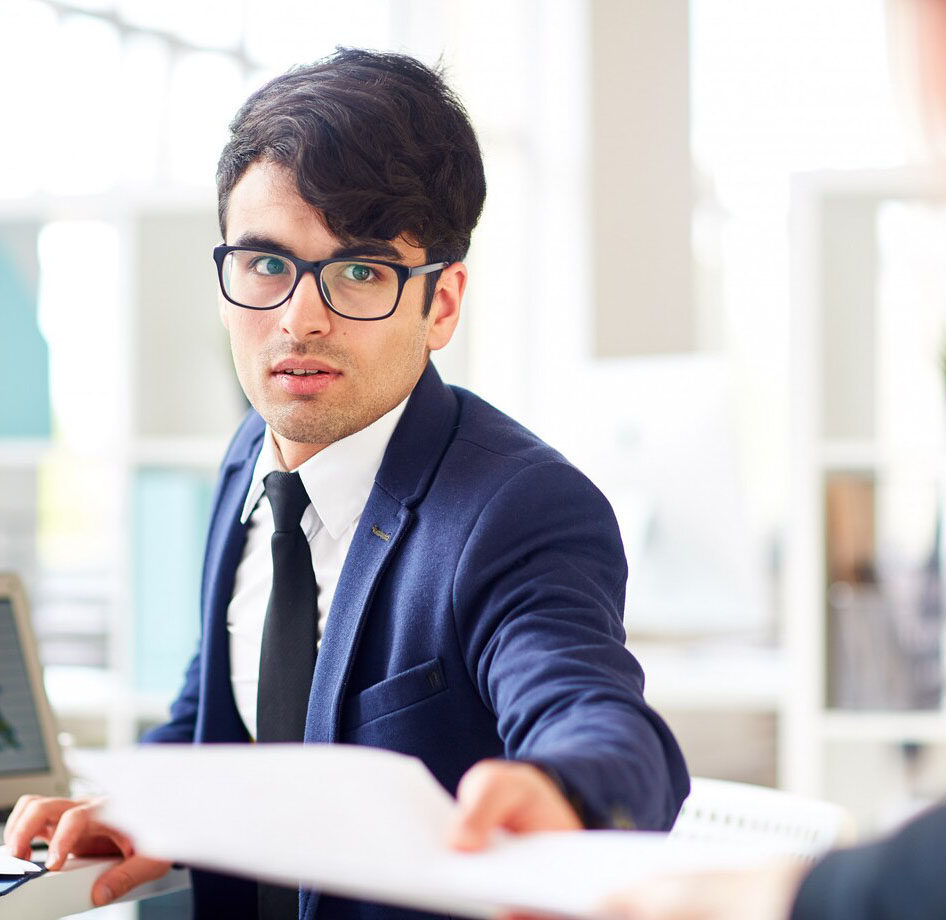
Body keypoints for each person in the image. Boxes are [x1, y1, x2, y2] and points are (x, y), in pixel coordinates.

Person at [3, 49, 688, 919]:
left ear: (440, 304)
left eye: (361, 272)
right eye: (264, 264)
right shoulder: (254, 448)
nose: (298, 319)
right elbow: (224, 686)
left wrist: (564, 791)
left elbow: (598, 720)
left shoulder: (518, 510)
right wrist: (140, 804)